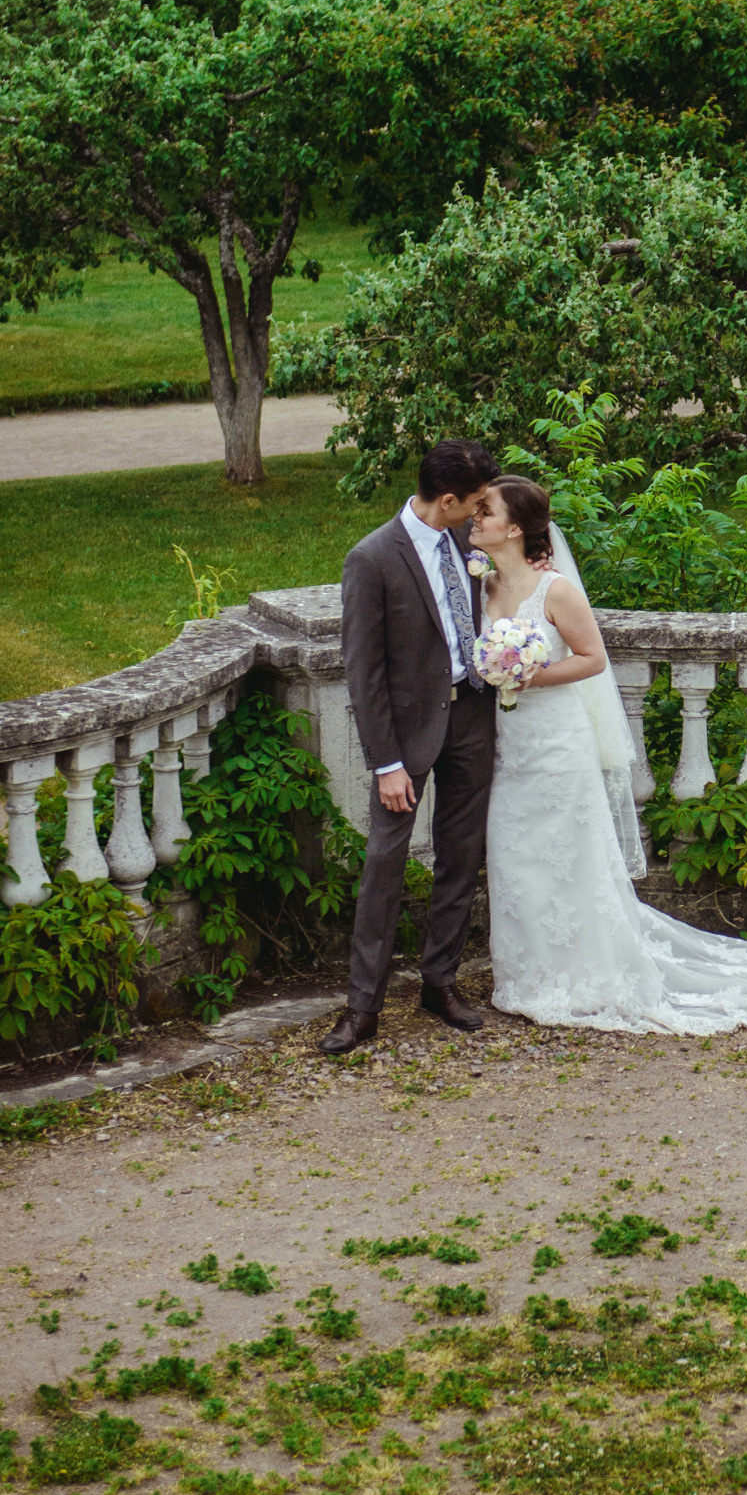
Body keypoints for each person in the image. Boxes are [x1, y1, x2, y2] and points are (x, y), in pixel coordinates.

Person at [469, 473, 747, 1035]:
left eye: (485, 510)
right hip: (511, 746)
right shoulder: (483, 586)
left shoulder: (555, 590)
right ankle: (526, 977)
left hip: (557, 742)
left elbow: (593, 659)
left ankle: (584, 977)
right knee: (517, 855)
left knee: (567, 857)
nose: (475, 518)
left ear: (515, 528)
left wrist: (529, 675)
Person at [321, 438, 500, 1059]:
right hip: (405, 736)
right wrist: (386, 763)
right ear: (447, 500)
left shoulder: (469, 542)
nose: (480, 512)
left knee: (461, 855)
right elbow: (363, 671)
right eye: (475, 502)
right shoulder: (371, 559)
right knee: (384, 864)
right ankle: (362, 1006)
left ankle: (439, 982)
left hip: (471, 716)